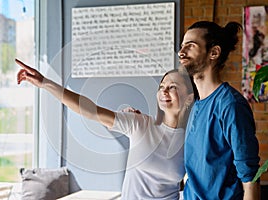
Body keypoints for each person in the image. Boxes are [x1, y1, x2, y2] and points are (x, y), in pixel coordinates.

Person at [16, 58, 195, 200]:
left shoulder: (192, 139)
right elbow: (89, 110)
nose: (164, 92)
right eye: (162, 86)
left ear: (189, 98)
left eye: (172, 87)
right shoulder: (140, 124)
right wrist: (45, 83)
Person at [178, 21, 261, 199]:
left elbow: (250, 180)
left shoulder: (231, 105)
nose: (181, 52)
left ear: (214, 53)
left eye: (190, 46)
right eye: (182, 46)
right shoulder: (196, 105)